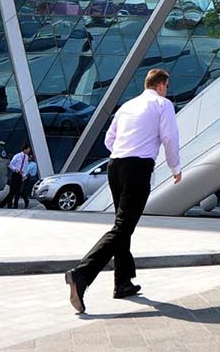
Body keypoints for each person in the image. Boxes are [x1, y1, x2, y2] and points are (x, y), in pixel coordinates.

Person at [66, 68, 181, 314]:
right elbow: (170, 137)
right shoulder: (163, 104)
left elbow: (109, 140)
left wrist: (125, 149)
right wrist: (175, 167)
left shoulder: (127, 105)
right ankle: (82, 274)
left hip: (115, 165)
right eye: (167, 86)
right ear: (161, 85)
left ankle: (122, 283)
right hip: (137, 167)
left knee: (122, 224)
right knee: (122, 227)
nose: (167, 91)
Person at [1, 144, 29, 208]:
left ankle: (15, 205)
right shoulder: (17, 156)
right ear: (24, 149)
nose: (28, 151)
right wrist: (15, 169)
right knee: (12, 190)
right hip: (15, 174)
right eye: (28, 149)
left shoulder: (26, 157)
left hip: (21, 175)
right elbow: (10, 164)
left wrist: (24, 175)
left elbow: (25, 166)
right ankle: (9, 205)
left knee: (18, 191)